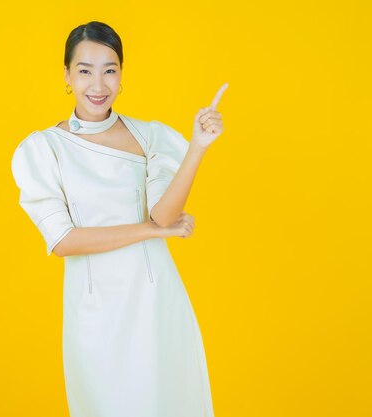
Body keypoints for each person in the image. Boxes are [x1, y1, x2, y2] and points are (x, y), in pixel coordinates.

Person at [11, 20, 227, 417]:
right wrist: (149, 230)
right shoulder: (44, 149)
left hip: (155, 301)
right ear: (66, 76)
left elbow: (165, 213)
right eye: (85, 70)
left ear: (122, 75)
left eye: (110, 70)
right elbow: (63, 241)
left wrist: (197, 147)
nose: (98, 84)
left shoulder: (149, 136)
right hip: (95, 310)